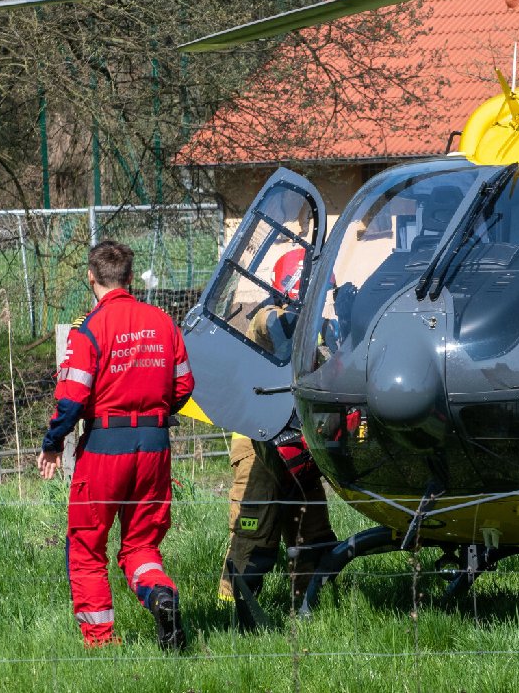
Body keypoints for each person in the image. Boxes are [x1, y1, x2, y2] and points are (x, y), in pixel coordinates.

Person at [36, 240, 194, 650]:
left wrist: (54, 443)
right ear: (128, 278)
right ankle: (159, 593)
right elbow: (184, 385)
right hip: (156, 444)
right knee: (142, 543)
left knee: (87, 543)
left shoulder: (89, 330)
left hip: (106, 445)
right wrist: (156, 411)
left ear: (92, 277)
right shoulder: (163, 323)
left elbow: (71, 398)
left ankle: (101, 640)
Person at [217, 431, 337, 630]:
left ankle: (316, 608)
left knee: (312, 531)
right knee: (253, 535)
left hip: (302, 434)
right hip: (255, 438)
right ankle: (231, 617)